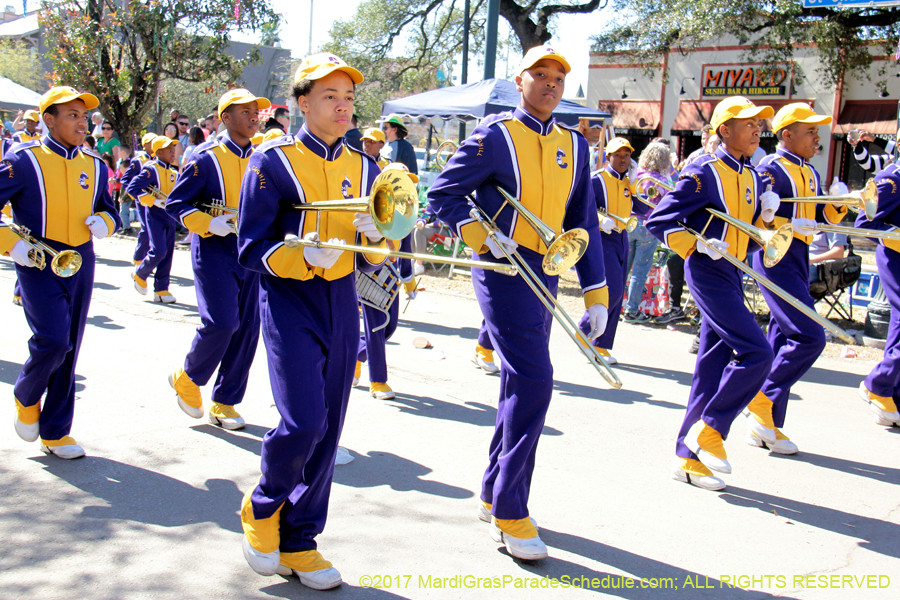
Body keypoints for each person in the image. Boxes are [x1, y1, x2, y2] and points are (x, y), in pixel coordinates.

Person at [429, 46, 609, 561]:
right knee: (535, 381)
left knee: (520, 383)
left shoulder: (576, 144)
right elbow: (442, 194)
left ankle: (491, 491)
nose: (551, 84)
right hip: (504, 270)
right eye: (541, 75)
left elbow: (584, 222)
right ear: (520, 79)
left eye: (558, 77)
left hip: (546, 274)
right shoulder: (495, 135)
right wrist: (482, 234)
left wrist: (596, 293)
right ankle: (511, 509)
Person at [236, 52, 387, 590]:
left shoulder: (370, 168)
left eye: (348, 98)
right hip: (288, 299)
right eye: (330, 97)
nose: (343, 107)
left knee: (332, 424)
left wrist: (376, 236)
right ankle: (263, 505)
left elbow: (378, 254)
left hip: (342, 300)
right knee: (304, 422)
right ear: (302, 102)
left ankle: (301, 540)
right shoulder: (271, 161)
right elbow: (251, 246)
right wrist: (302, 255)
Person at [645, 96, 778, 492]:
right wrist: (696, 244)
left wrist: (766, 220)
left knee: (710, 368)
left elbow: (749, 239)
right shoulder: (704, 170)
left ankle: (685, 459)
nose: (757, 129)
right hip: (706, 271)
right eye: (748, 123)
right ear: (724, 130)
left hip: (733, 274)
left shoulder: (753, 175)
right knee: (758, 352)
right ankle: (711, 428)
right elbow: (660, 219)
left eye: (759, 124)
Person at [0, 86, 121, 459]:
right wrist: (11, 244)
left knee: (71, 348)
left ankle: (55, 432)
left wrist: (106, 221)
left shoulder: (96, 164)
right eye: (72, 115)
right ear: (48, 120)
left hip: (81, 261)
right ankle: (25, 393)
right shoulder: (22, 159)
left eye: (84, 116)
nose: (82, 123)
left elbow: (110, 209)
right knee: (53, 341)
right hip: (36, 261)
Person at [165, 89, 270, 430]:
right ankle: (189, 376)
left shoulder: (263, 156)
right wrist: (210, 223)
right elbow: (175, 205)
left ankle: (225, 402)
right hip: (214, 249)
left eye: (257, 111)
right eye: (247, 111)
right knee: (223, 323)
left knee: (248, 330)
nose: (255, 116)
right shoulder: (203, 156)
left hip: (251, 251)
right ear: (225, 118)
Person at [750, 103, 849, 455]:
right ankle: (761, 400)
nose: (817, 137)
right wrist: (780, 221)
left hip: (799, 254)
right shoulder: (769, 169)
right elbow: (755, 217)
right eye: (811, 131)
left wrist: (838, 202)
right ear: (787, 134)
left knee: (782, 338)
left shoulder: (809, 170)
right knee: (810, 336)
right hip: (776, 255)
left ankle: (769, 425)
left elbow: (820, 211)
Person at [356, 163, 418, 398]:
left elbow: (406, 253)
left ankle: (354, 355)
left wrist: (410, 284)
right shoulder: (374, 205)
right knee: (377, 326)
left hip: (392, 277)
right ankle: (378, 381)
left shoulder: (408, 214)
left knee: (389, 328)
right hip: (370, 271)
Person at [577, 137, 634, 364]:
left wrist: (637, 185)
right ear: (608, 157)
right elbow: (582, 207)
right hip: (602, 238)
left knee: (618, 295)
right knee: (612, 290)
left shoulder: (629, 181)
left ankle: (601, 346)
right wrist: (601, 220)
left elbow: (640, 207)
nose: (623, 159)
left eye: (627, 155)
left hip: (622, 237)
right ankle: (584, 331)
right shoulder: (597, 179)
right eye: (618, 155)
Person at [853, 162, 900, 429]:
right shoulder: (891, 178)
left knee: (898, 326)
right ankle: (877, 385)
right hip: (895, 256)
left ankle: (890, 396)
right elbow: (865, 223)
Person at [128, 135, 179, 304]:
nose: (173, 152)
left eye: (173, 149)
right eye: (168, 149)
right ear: (158, 152)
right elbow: (132, 188)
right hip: (155, 215)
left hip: (169, 216)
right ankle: (140, 273)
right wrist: (153, 200)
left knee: (168, 254)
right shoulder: (151, 168)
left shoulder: (174, 172)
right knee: (159, 250)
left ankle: (161, 289)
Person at [623, 142, 668, 323]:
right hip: (649, 226)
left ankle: (613, 305)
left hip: (630, 223)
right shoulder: (662, 181)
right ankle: (632, 310)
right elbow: (668, 202)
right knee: (640, 270)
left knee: (623, 268)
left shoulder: (636, 176)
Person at [121, 133, 157, 265]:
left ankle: (151, 258)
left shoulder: (159, 159)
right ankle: (139, 258)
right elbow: (126, 179)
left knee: (154, 230)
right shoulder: (138, 160)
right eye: (151, 142)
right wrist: (136, 194)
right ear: (145, 145)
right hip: (142, 201)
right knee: (146, 229)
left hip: (156, 200)